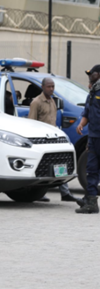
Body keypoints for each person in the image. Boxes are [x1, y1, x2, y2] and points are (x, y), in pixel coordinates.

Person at [28, 77, 84, 205]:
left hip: (53, 138)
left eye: (53, 86)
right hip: (41, 139)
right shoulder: (36, 102)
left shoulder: (53, 101)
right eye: (49, 86)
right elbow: (30, 123)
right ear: (43, 87)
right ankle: (38, 193)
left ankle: (65, 192)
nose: (51, 89)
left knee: (59, 164)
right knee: (43, 166)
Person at [76, 65, 100, 214]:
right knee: (91, 169)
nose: (90, 76)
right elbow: (87, 112)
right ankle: (91, 201)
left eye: (92, 74)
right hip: (93, 137)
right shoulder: (91, 93)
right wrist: (81, 124)